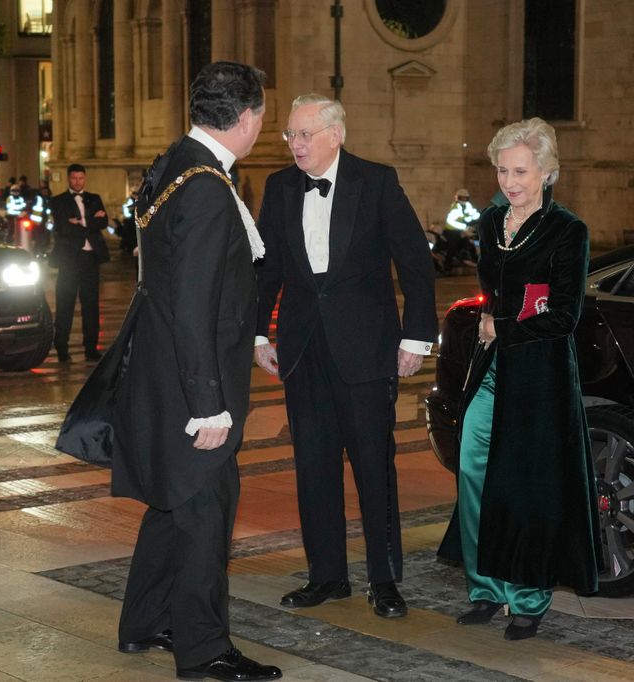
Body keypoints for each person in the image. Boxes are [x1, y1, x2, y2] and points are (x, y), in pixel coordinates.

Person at [104, 60, 279, 682]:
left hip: (162, 373)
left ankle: (143, 622)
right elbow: (193, 303)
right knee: (206, 512)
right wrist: (208, 404)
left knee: (174, 505)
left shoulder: (177, 162)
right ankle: (205, 651)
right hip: (191, 386)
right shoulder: (206, 186)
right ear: (250, 116)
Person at [255, 94, 437, 619]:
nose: (295, 144)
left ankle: (384, 580)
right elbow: (266, 269)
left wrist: (415, 338)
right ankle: (327, 576)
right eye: (291, 135)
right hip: (303, 348)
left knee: (373, 468)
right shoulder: (280, 186)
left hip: (367, 348)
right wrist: (259, 337)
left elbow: (415, 264)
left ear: (335, 134)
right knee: (313, 467)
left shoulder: (376, 181)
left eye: (305, 134)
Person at [437, 118, 600, 640]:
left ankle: (528, 596)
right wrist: (494, 327)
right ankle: (486, 586)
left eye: (522, 171)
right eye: (504, 170)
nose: (511, 181)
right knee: (473, 469)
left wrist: (499, 326)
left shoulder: (567, 230)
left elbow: (565, 315)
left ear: (547, 173)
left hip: (540, 375)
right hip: (492, 368)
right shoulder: (490, 223)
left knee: (527, 485)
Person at [49, 164, 109, 362]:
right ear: (68, 178)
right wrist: (90, 222)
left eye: (80, 178)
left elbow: (104, 222)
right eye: (74, 178)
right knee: (65, 303)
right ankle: (62, 348)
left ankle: (90, 348)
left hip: (90, 258)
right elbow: (62, 227)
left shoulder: (95, 198)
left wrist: (81, 222)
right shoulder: (58, 201)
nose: (77, 182)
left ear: (85, 178)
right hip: (69, 258)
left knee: (91, 305)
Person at [443, 188, 481, 272]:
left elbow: (473, 213)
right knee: (452, 246)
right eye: (462, 198)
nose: (464, 200)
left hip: (464, 230)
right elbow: (451, 221)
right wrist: (464, 227)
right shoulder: (455, 207)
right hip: (452, 231)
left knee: (470, 242)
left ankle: (471, 260)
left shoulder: (468, 205)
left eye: (465, 198)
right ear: (458, 198)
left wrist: (481, 216)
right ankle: (447, 267)